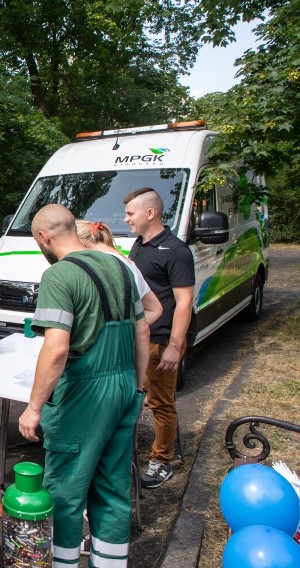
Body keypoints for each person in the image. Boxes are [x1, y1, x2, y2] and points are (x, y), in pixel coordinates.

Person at [18, 204, 149, 567]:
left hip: (83, 394)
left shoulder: (59, 276)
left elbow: (57, 349)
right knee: (112, 487)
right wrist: (139, 388)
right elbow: (142, 329)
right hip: (124, 384)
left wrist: (33, 407)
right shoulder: (117, 264)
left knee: (66, 491)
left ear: (44, 237)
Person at [124, 188, 195, 489]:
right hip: (139, 337)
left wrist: (175, 347)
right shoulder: (138, 246)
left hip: (162, 340)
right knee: (137, 398)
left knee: (161, 404)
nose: (126, 219)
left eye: (131, 213)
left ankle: (161, 461)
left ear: (150, 214)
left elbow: (184, 303)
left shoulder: (176, 251)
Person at [75, 220, 163, 326]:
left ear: (81, 244)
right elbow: (155, 309)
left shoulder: (100, 266)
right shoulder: (129, 264)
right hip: (125, 341)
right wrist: (129, 331)